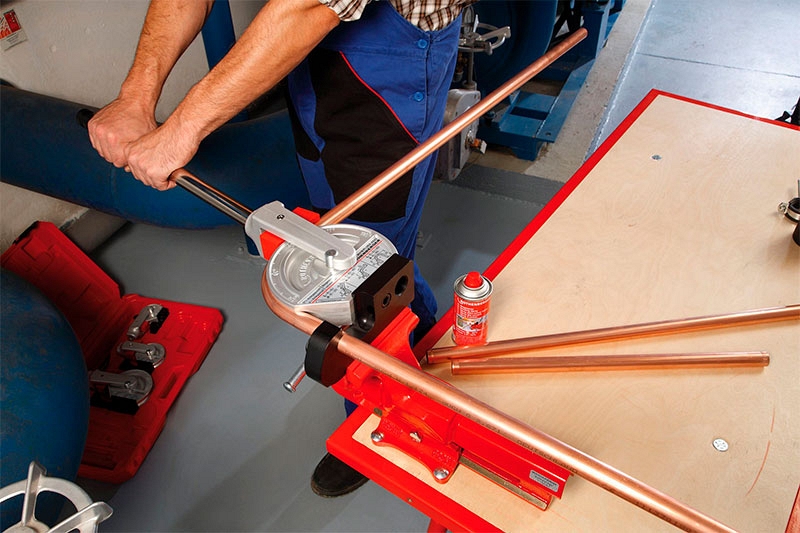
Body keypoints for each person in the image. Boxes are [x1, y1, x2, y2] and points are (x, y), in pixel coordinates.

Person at [88, 0, 475, 498]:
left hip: (388, 64)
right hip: (315, 62)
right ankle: (412, 349)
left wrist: (179, 132)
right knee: (336, 242)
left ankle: (377, 418)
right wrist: (135, 99)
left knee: (369, 272)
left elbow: (308, 6)